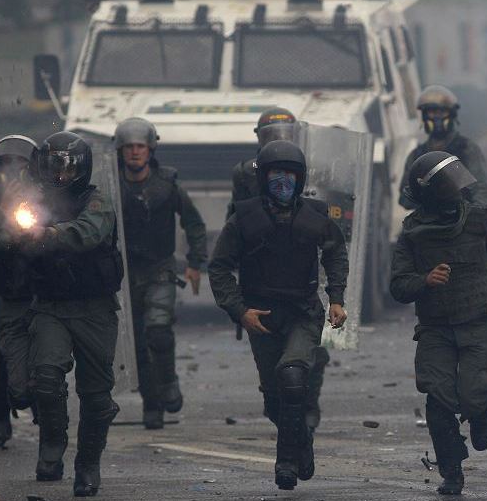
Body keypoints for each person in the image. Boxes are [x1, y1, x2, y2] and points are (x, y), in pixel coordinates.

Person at [210, 139, 348, 491]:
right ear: (263, 178)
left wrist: (336, 298)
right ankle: (302, 441)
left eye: (289, 174)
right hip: (262, 316)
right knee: (276, 402)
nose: (281, 181)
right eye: (275, 174)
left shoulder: (315, 216)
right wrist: (240, 311)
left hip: (303, 312)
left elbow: (335, 253)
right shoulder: (244, 218)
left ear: (299, 179)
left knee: (292, 378)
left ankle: (285, 463)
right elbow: (220, 267)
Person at [391, 151, 487, 495]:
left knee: (473, 394)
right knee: (438, 400)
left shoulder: (480, 219)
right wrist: (425, 280)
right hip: (435, 328)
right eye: (447, 186)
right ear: (432, 193)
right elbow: (397, 286)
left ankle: (483, 411)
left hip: (478, 322)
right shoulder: (412, 233)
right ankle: (451, 472)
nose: (456, 192)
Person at [3, 132, 124, 496]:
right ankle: (52, 446)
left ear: (82, 169)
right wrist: (17, 232)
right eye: (54, 165)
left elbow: (89, 233)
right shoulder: (33, 201)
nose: (61, 174)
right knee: (46, 376)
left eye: (69, 167)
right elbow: (7, 233)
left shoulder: (97, 201)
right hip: (51, 306)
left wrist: (48, 234)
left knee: (97, 395)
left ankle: (88, 465)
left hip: (94, 309)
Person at [113, 118, 207, 429]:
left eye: (140, 146)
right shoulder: (111, 186)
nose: (135, 152)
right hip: (125, 274)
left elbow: (193, 223)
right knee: (137, 343)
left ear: (150, 148)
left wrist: (195, 263)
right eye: (129, 147)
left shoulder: (167, 185)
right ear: (121, 150)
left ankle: (168, 383)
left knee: (158, 330)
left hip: (160, 269)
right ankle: (151, 405)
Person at [0, 135, 41, 448]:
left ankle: (17, 412)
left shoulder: (42, 199)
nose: (14, 173)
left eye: (21, 166)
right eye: (7, 166)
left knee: (20, 362)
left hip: (26, 291)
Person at [400, 86, 487, 209]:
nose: (436, 118)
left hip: (460, 219)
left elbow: (481, 192)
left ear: (451, 114)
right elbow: (404, 197)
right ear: (424, 116)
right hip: (428, 222)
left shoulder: (466, 149)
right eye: (431, 112)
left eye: (441, 112)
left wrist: (472, 215)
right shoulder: (417, 156)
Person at [228, 107, 300, 217]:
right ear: (260, 137)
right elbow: (235, 216)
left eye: (287, 135)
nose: (280, 141)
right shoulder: (250, 168)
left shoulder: (310, 167)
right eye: (272, 136)